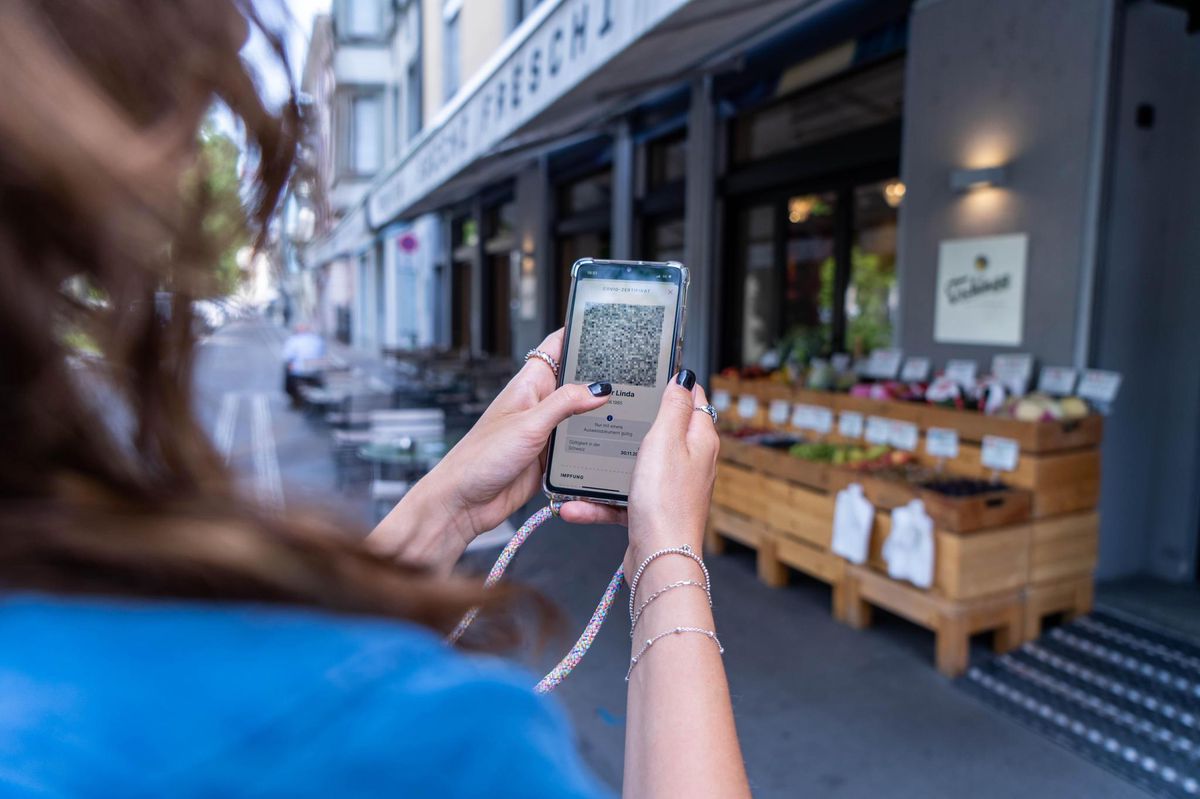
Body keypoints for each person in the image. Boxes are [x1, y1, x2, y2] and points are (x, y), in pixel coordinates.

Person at [0, 1, 751, 797]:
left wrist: (449, 507)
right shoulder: (424, 738)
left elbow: (290, 666)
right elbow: (303, 688)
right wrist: (670, 548)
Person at [281, 322, 327, 406]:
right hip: (314, 370)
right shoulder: (317, 339)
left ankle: (295, 398)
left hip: (299, 372)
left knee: (288, 370)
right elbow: (322, 354)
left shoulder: (293, 340)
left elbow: (286, 357)